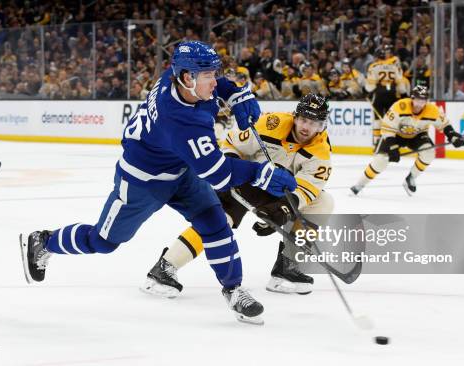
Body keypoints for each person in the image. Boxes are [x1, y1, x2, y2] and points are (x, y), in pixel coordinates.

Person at [19, 41, 298, 325]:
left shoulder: (176, 78)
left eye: (215, 73)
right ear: (188, 78)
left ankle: (234, 289)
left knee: (215, 222)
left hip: (180, 169)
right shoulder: (181, 121)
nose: (215, 81)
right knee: (102, 242)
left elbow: (218, 87)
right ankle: (45, 242)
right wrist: (261, 174)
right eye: (208, 76)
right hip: (142, 182)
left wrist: (236, 93)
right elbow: (218, 174)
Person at [141, 94, 334, 297]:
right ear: (295, 117)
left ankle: (288, 266)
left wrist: (281, 211)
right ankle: (165, 267)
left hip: (276, 193)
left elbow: (306, 189)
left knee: (323, 202)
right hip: (245, 179)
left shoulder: (321, 152)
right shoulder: (271, 123)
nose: (306, 127)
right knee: (219, 220)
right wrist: (231, 171)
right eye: (304, 119)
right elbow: (232, 144)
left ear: (322, 125)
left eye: (313, 123)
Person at [350, 85, 464, 196]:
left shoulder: (432, 110)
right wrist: (393, 147)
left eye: (423, 100)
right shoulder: (399, 106)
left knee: (428, 153)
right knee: (380, 161)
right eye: (417, 100)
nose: (419, 104)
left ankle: (411, 178)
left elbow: (445, 125)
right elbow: (387, 128)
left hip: (417, 135)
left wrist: (453, 136)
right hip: (396, 135)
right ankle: (359, 185)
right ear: (412, 98)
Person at [365, 45, 408, 146]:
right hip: (392, 94)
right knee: (392, 118)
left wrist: (367, 91)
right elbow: (400, 83)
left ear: (376, 57)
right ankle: (392, 141)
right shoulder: (394, 67)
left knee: (377, 118)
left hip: (379, 94)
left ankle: (376, 142)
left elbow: (370, 86)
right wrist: (404, 94)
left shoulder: (374, 66)